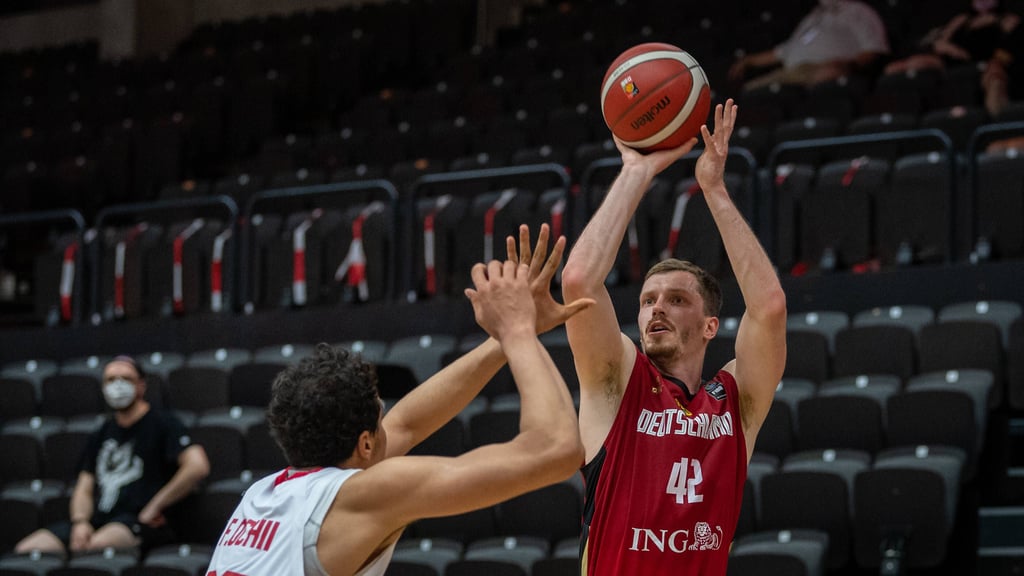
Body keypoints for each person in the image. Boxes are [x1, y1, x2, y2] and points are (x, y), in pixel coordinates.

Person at [205, 224, 591, 576]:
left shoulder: (264, 496)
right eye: (380, 416)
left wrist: (509, 336)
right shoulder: (358, 497)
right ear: (365, 444)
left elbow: (409, 423)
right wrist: (518, 331)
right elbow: (555, 450)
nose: (390, 420)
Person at [560, 99, 787, 574]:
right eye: (647, 300)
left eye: (677, 299)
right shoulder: (619, 382)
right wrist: (636, 171)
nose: (657, 308)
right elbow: (579, 281)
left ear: (710, 326)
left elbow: (768, 309)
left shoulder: (735, 403)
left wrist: (715, 191)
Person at [15, 356, 210, 555]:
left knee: (95, 549)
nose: (117, 385)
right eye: (110, 380)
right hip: (100, 519)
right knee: (28, 550)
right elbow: (84, 487)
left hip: (139, 520)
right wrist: (80, 522)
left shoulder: (164, 423)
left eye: (126, 379)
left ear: (141, 386)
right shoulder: (101, 432)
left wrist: (154, 506)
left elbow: (197, 466)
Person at [728, 0, 890, 90]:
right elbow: (783, 52)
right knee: (749, 92)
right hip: (790, 72)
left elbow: (873, 49)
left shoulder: (858, 11)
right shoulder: (813, 17)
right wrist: (749, 60)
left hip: (824, 70)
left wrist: (847, 67)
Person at [883, 0, 1020, 76]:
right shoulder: (962, 19)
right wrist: (947, 48)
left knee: (918, 64)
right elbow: (942, 41)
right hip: (950, 59)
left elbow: (1010, 45)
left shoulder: (1005, 20)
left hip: (976, 61)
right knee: (892, 68)